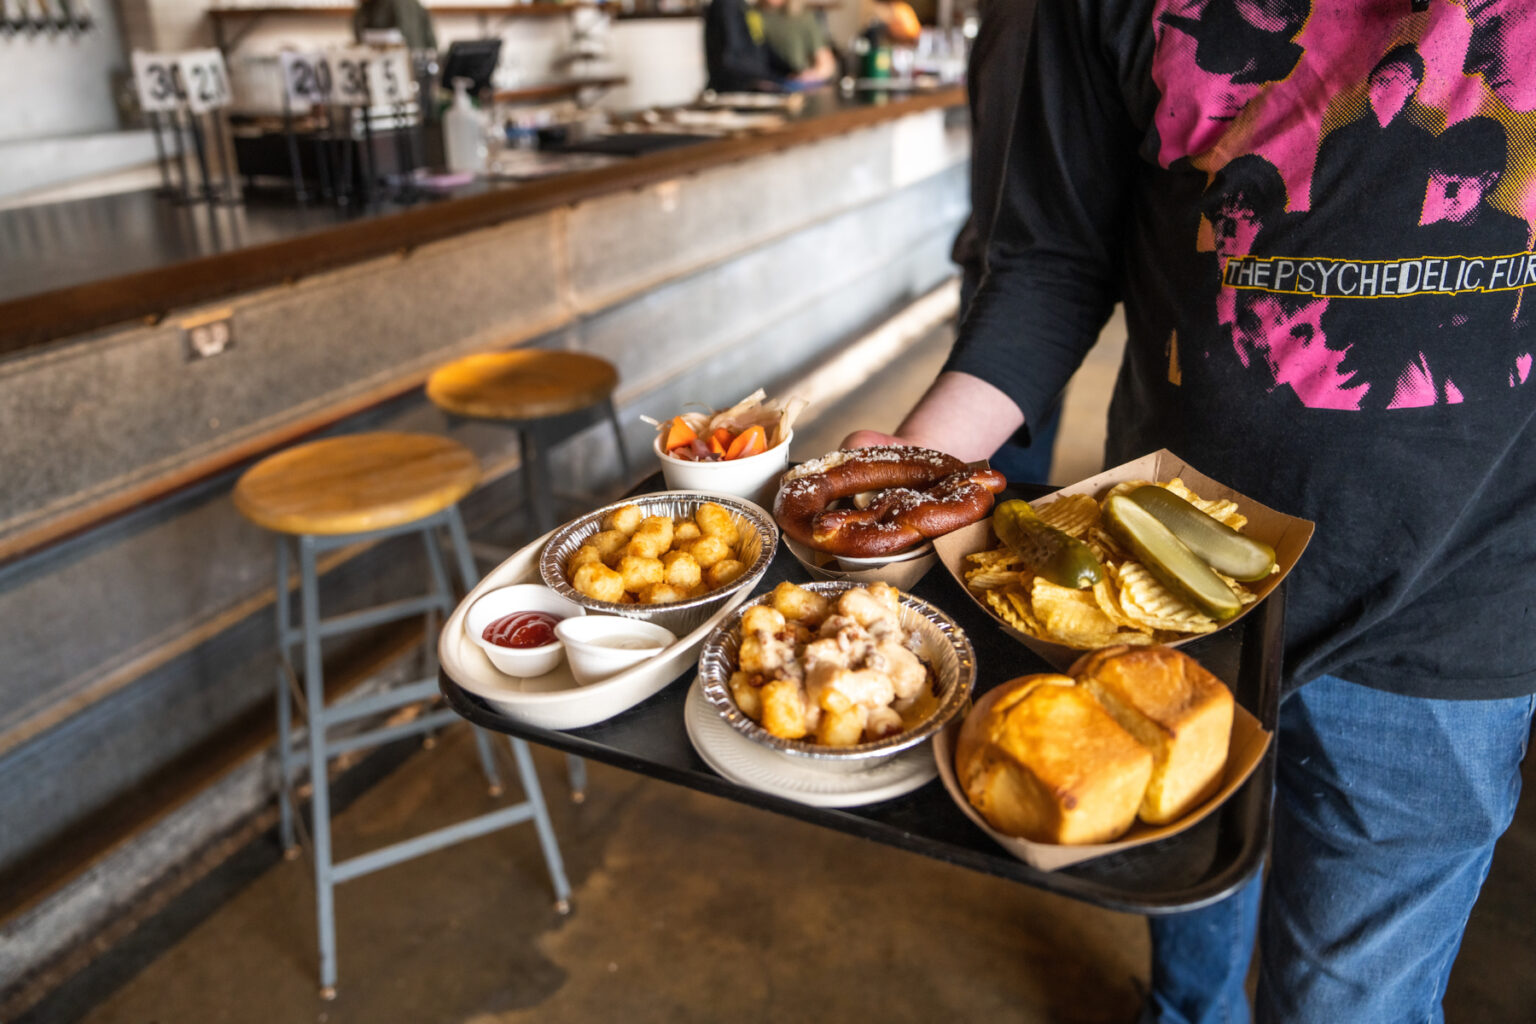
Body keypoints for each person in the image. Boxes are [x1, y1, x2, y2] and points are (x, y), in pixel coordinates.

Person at [844, 2, 1536, 1021]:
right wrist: (916, 469)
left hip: (1452, 610)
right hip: (1161, 601)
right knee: (1188, 924)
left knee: (1352, 1005)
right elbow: (1052, 262)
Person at [950, 0, 1061, 484]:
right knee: (1000, 482)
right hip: (1013, 280)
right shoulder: (1027, 17)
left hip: (1024, 277)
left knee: (1015, 466)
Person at [704, 0, 781, 93]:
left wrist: (790, 72)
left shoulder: (746, 7)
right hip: (736, 89)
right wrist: (771, 77)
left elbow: (762, 46)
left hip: (755, 81)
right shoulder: (727, 4)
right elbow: (730, 59)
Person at [757, 0, 839, 85]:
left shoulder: (802, 18)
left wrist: (807, 76)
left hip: (793, 82)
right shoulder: (751, 15)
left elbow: (826, 65)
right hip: (758, 83)